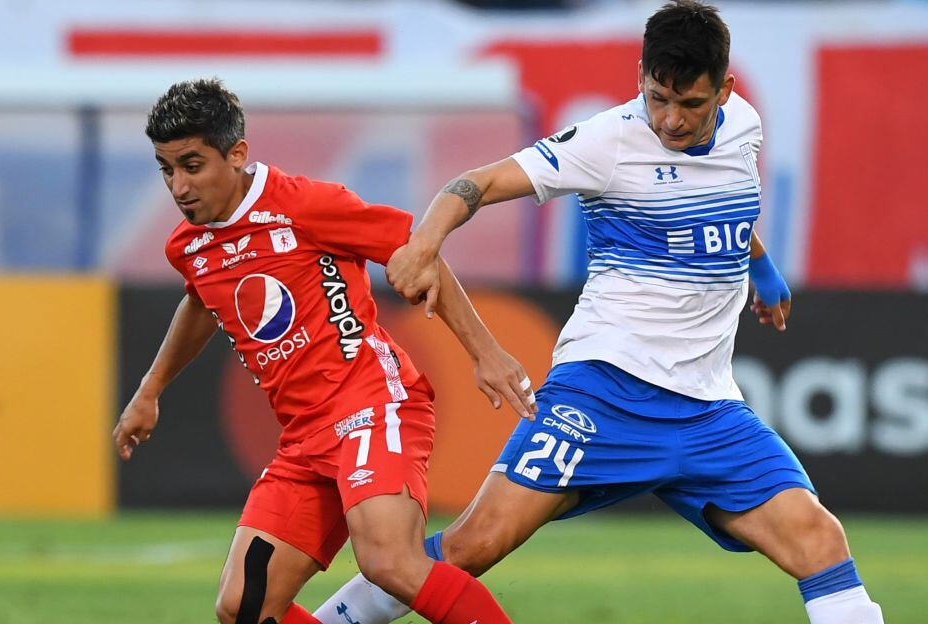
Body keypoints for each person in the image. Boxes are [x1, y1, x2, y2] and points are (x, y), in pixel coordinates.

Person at [310, 2, 885, 623]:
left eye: (690, 104)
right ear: (641, 76)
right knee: (474, 545)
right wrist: (424, 245)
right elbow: (476, 184)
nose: (670, 119)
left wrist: (763, 270)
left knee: (820, 541)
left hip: (709, 409)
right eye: (658, 97)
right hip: (604, 391)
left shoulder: (744, 127)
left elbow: (725, 209)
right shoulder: (606, 141)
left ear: (725, 90)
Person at [112, 78, 537, 624]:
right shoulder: (190, 245)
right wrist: (149, 390)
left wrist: (486, 352)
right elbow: (202, 299)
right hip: (303, 439)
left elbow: (417, 252)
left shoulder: (306, 204)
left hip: (373, 406)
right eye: (166, 169)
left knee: (389, 562)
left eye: (192, 165)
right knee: (242, 607)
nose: (178, 185)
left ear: (236, 154)